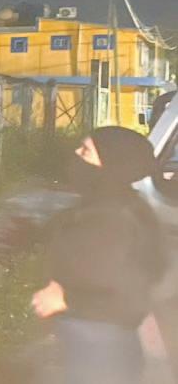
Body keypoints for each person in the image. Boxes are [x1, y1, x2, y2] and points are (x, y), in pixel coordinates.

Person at [32, 126, 165, 384]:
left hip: (98, 348)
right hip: (94, 342)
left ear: (112, 164)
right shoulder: (112, 205)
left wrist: (65, 299)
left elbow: (129, 298)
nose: (75, 154)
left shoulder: (113, 218)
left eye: (85, 151)